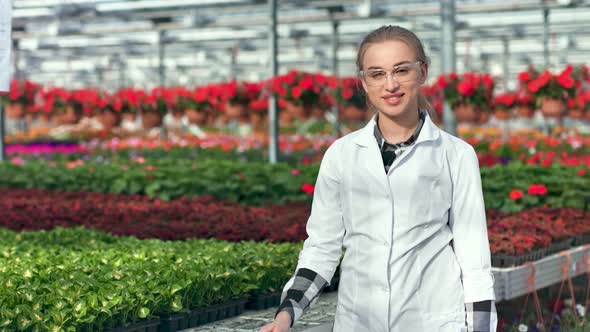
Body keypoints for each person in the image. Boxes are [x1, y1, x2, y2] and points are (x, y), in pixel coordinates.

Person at [259, 25, 496, 332]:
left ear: (422, 72)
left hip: (432, 321)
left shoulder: (456, 155)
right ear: (364, 82)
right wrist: (287, 314)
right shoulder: (342, 155)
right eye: (377, 74)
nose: (390, 84)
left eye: (401, 70)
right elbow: (322, 247)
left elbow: (473, 256)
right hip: (359, 321)